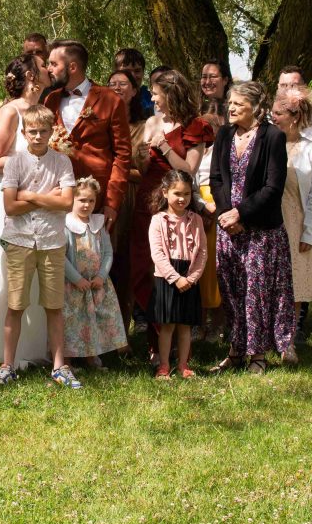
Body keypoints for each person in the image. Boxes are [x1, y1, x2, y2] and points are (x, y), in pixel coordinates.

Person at [209, 81, 295, 375]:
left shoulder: (272, 137)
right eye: (230, 103)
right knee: (231, 291)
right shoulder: (224, 135)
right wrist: (225, 215)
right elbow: (216, 179)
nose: (230, 108)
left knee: (256, 294)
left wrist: (240, 215)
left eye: (237, 104)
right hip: (228, 230)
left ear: (255, 107)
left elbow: (273, 186)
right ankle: (235, 351)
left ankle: (257, 354)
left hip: (260, 231)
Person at [0, 105, 80, 388]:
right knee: (15, 305)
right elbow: (10, 206)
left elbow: (67, 203)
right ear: (24, 132)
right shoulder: (15, 162)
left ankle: (59, 366)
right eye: (33, 131)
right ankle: (7, 365)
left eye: (44, 131)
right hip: (19, 240)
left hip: (52, 241)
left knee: (54, 306)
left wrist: (29, 195)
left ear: (51, 131)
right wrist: (46, 196)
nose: (38, 136)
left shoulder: (62, 162)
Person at [130, 71, 213, 355]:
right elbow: (142, 168)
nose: (152, 98)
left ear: (171, 94)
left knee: (176, 266)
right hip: (147, 202)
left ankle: (176, 344)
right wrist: (142, 155)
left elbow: (188, 169)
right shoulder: (151, 122)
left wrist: (164, 145)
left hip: (177, 205)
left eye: (156, 93)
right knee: (144, 268)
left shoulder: (196, 126)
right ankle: (155, 338)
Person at [0, 55, 53, 367]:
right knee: (8, 272)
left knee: (38, 274)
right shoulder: (10, 112)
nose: (49, 69)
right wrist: (28, 160)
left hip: (41, 202)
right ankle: (5, 349)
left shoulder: (44, 110)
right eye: (43, 65)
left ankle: (35, 347)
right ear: (29, 75)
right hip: (10, 201)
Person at [43, 39, 131, 230]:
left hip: (96, 199)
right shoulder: (50, 100)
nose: (48, 68)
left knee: (95, 257)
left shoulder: (110, 100)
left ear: (72, 67)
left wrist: (111, 202)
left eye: (53, 64)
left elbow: (123, 155)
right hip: (57, 195)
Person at [271, 87, 312, 351]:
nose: (273, 117)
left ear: (294, 117)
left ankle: (288, 341)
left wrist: (310, 232)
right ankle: (268, 338)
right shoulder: (267, 143)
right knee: (271, 281)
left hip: (297, 221)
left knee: (294, 285)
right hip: (270, 220)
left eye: (278, 113)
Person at [63, 177, 128, 369]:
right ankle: (66, 360)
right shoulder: (65, 224)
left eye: (91, 201)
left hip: (97, 284)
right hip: (73, 286)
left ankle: (91, 357)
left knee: (94, 320)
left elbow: (107, 252)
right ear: (72, 200)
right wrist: (76, 279)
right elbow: (61, 256)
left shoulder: (99, 224)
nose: (86, 205)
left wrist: (101, 275)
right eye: (82, 200)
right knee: (72, 321)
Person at [148, 170, 208, 379]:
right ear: (165, 192)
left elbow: (202, 252)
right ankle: (163, 365)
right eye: (177, 193)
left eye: (187, 194)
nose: (182, 199)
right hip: (167, 277)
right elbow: (157, 253)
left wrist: (192, 278)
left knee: (185, 326)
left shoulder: (197, 220)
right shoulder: (158, 220)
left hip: (190, 276)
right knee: (167, 325)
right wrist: (175, 278)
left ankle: (183, 364)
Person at [105, 68, 151, 337]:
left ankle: (122, 334)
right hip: (105, 198)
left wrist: (119, 168)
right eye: (112, 84)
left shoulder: (143, 127)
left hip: (131, 201)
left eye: (123, 84)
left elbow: (145, 169)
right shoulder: (101, 122)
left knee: (125, 265)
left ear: (135, 90)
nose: (117, 88)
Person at [194, 96, 226, 341]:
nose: (211, 130)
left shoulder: (224, 148)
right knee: (198, 265)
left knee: (216, 268)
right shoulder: (194, 147)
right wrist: (201, 206)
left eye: (215, 125)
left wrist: (214, 207)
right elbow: (190, 179)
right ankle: (199, 323)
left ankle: (218, 323)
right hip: (197, 206)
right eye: (207, 124)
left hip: (219, 207)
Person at [277, 65, 312, 144]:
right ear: (278, 87)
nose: (288, 89)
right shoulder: (270, 118)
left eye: (294, 85)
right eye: (283, 85)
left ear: (304, 87)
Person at [114, 48, 153, 116]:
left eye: (137, 71)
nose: (132, 76)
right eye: (127, 71)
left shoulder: (152, 100)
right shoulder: (105, 101)